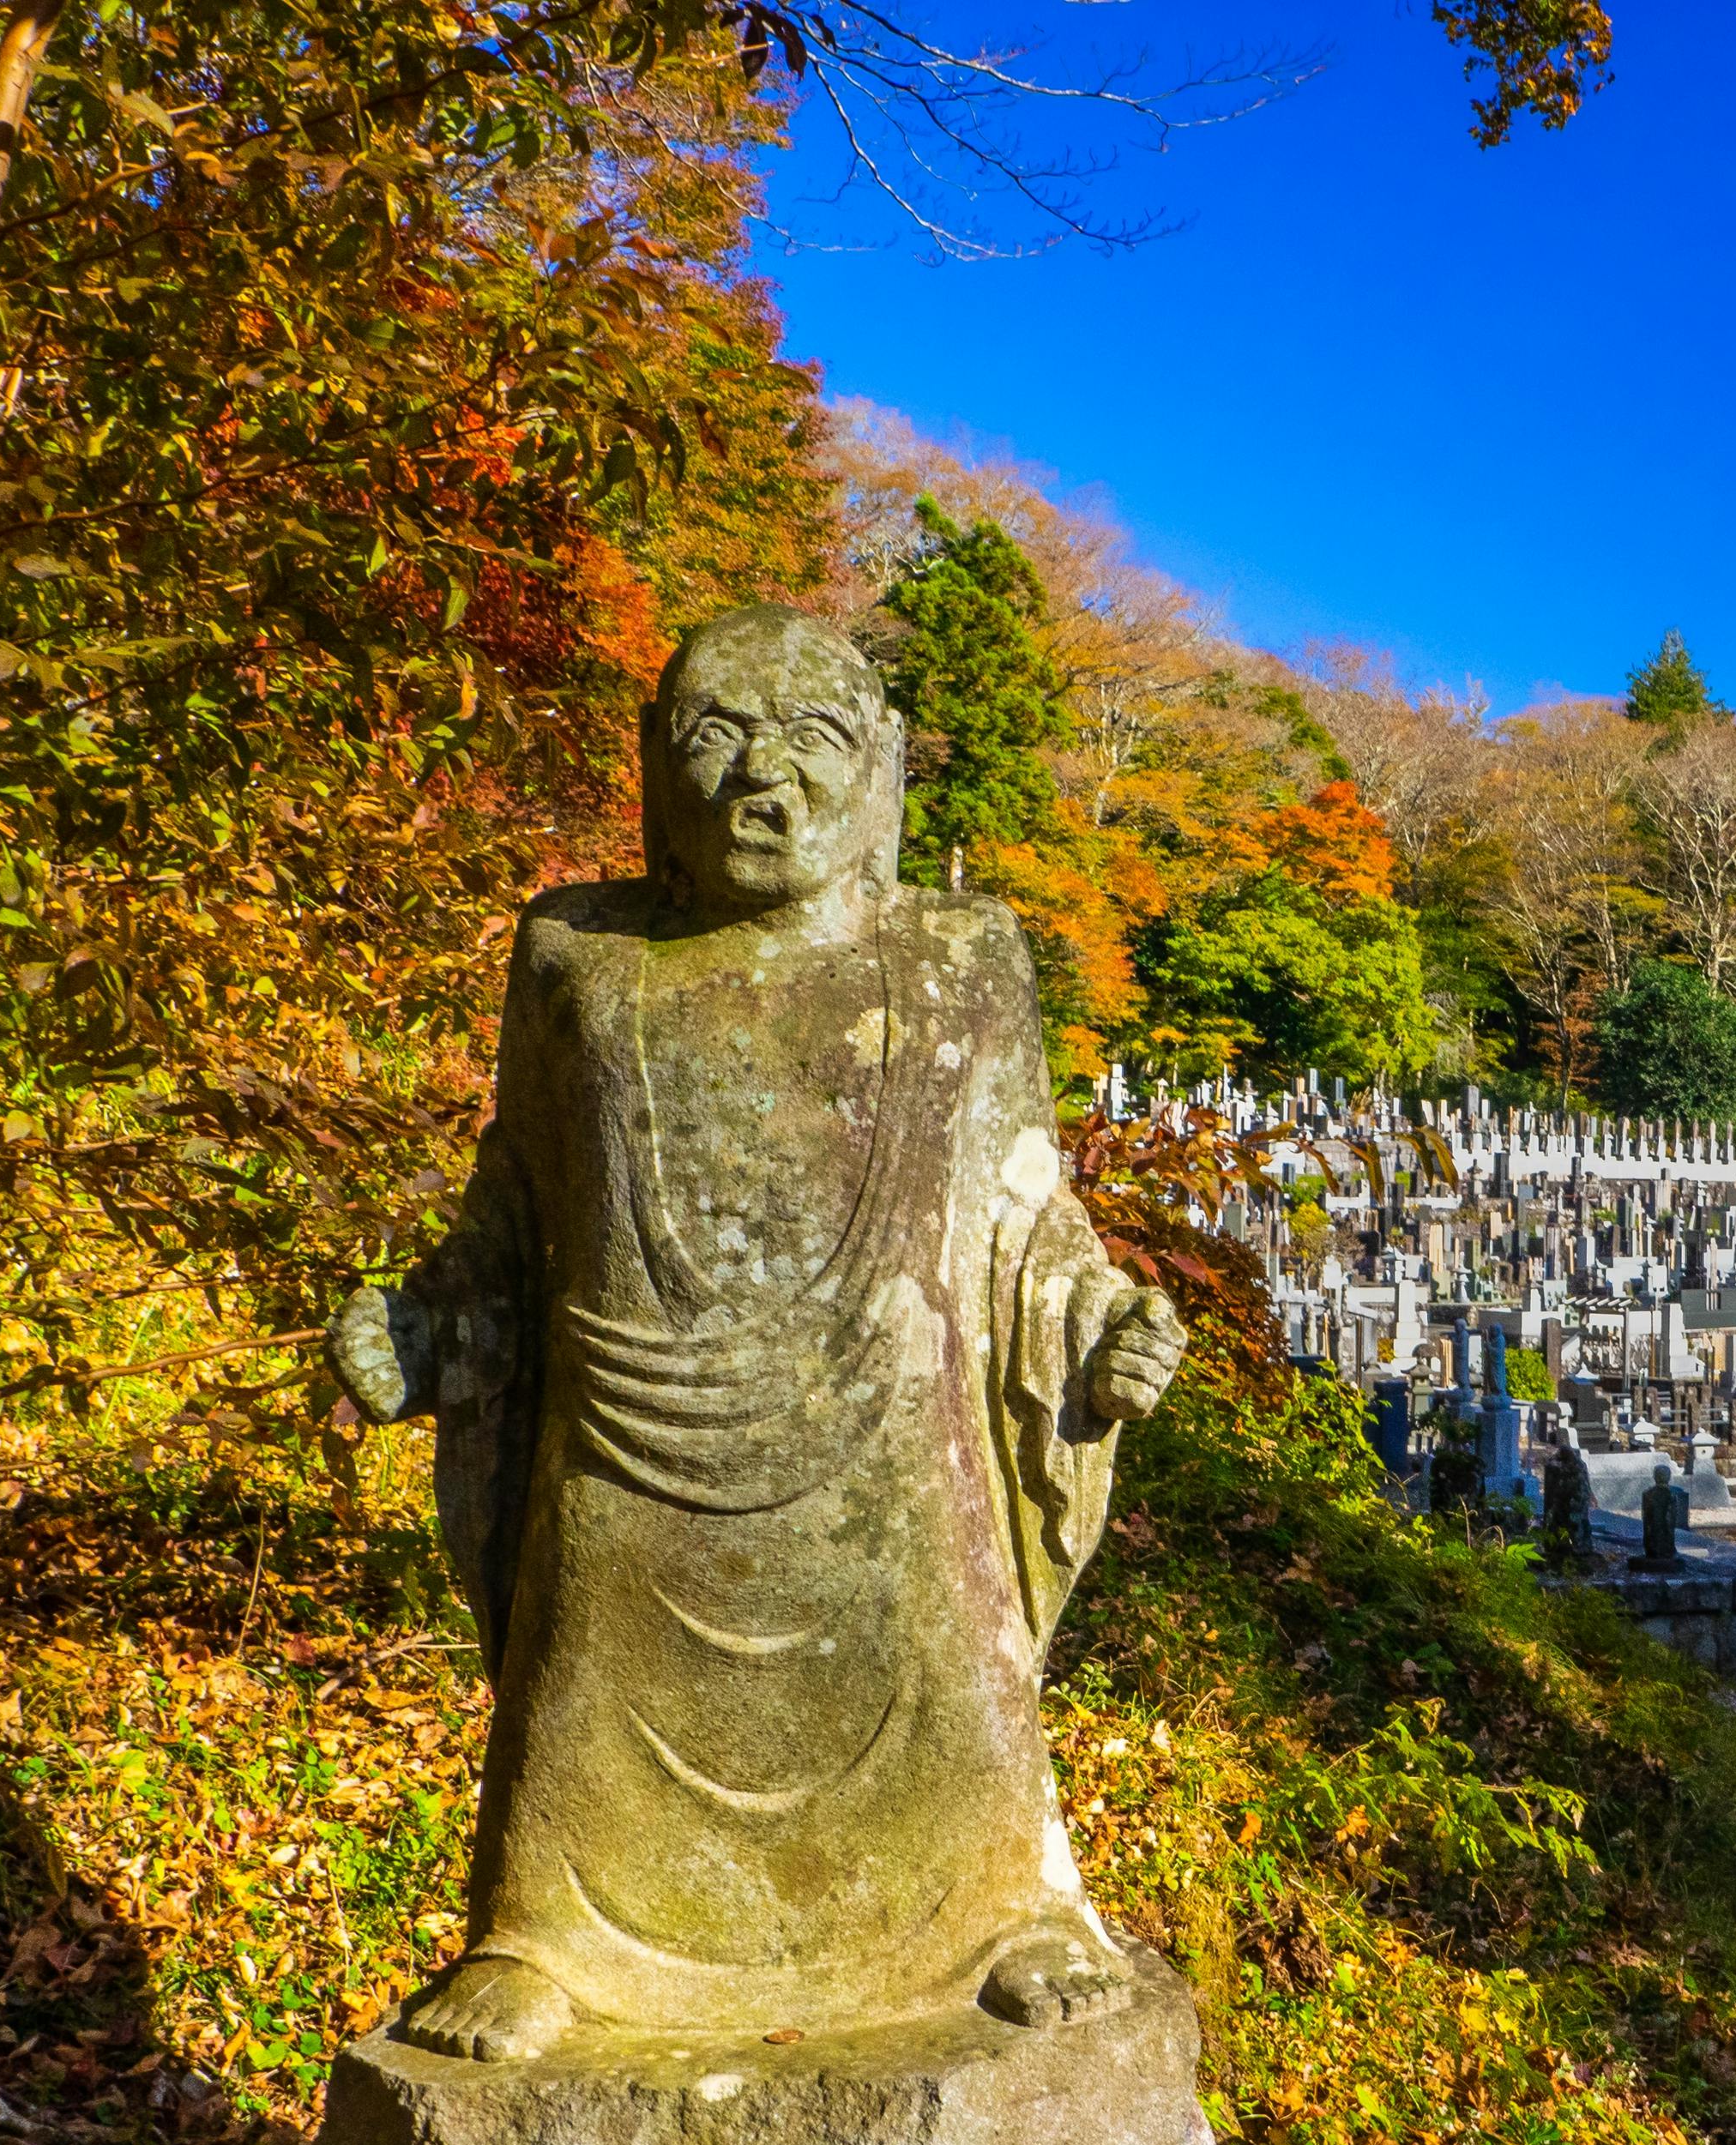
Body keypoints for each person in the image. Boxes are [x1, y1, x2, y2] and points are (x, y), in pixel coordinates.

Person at [327, 607, 1186, 2062]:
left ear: (888, 775)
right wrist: (429, 1328)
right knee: (587, 1654)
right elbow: (520, 1210)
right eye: (713, 739)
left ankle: (995, 1912)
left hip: (893, 1455)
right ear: (657, 774)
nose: (760, 782)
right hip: (628, 1449)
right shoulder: (578, 961)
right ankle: (546, 1935)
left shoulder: (960, 960)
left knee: (941, 1628)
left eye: (814, 742)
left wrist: (1097, 1326)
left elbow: (1025, 1221)